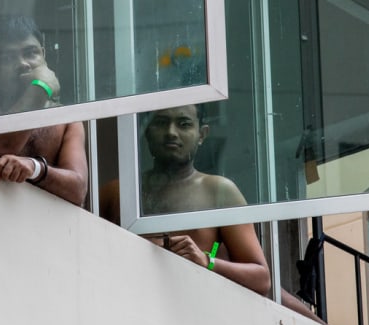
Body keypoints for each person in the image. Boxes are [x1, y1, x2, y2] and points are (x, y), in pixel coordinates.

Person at [100, 104, 271, 296]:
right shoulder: (117, 191)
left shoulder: (219, 191)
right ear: (146, 131)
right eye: (161, 123)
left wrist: (207, 261)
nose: (171, 132)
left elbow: (262, 278)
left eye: (184, 124)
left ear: (202, 134)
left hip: (195, 314)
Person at [0, 15, 88, 206]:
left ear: (44, 54)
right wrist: (41, 87)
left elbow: (78, 190)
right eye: (7, 57)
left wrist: (34, 167)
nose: (23, 63)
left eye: (31, 52)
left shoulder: (66, 119)